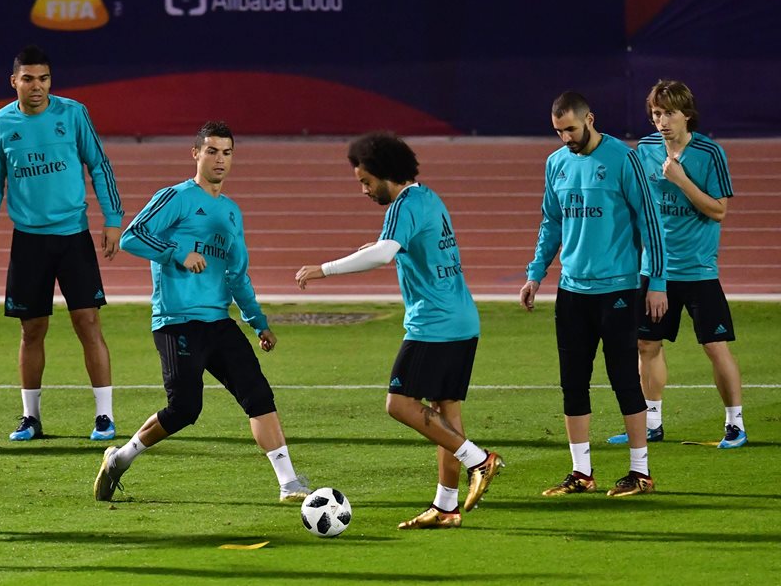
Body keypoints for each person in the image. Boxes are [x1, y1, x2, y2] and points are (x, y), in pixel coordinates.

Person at [294, 132, 504, 530]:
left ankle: (480, 459)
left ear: (387, 174)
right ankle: (446, 508)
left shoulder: (404, 204)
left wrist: (324, 269)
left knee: (399, 403)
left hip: (433, 325)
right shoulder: (428, 197)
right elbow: (405, 246)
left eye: (366, 182)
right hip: (462, 320)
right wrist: (375, 245)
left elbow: (386, 253)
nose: (364, 190)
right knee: (446, 415)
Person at [94, 121, 309, 504]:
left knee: (258, 395)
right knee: (185, 408)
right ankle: (119, 459)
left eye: (227, 152)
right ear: (196, 154)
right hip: (176, 321)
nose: (219, 159)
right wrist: (178, 253)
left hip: (219, 322)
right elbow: (131, 237)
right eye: (211, 151)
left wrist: (258, 323)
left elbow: (237, 275)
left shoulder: (230, 213)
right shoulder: (175, 197)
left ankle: (289, 484)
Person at [0, 45, 124, 442]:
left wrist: (112, 220)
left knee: (87, 322)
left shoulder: (73, 114)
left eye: (44, 79)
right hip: (29, 243)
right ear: (14, 81)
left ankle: (104, 417)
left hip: (74, 236)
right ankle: (30, 418)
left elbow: (99, 165)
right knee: (31, 330)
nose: (37, 87)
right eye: (28, 79)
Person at [521, 91, 668, 498]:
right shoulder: (556, 164)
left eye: (570, 128)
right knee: (573, 382)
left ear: (590, 119)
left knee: (624, 378)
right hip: (572, 291)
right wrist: (535, 275)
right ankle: (581, 472)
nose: (565, 137)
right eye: (557, 131)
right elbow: (551, 224)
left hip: (618, 289)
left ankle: (640, 471)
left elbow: (650, 223)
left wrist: (657, 282)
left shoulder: (624, 159)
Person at [606, 80, 744, 448]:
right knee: (647, 346)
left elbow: (718, 211)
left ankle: (735, 424)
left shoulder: (709, 154)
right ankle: (651, 423)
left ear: (687, 115)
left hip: (698, 269)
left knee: (715, 346)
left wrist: (681, 180)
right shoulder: (645, 149)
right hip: (655, 271)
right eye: (656, 114)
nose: (661, 121)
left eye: (669, 113)